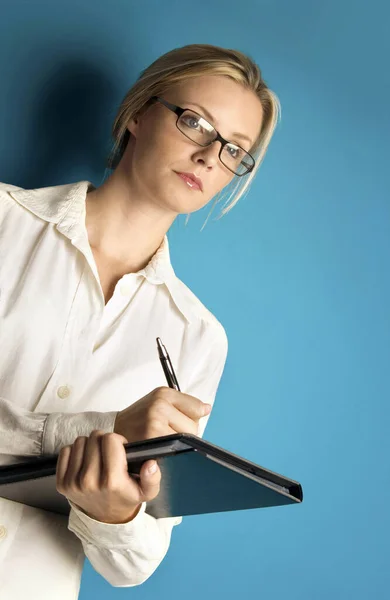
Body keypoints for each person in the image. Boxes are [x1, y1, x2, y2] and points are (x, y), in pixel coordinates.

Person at [0, 43, 280, 599]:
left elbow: (137, 565)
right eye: (196, 122)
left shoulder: (198, 337)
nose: (208, 155)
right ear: (136, 113)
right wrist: (97, 436)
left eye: (233, 151)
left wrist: (118, 514)